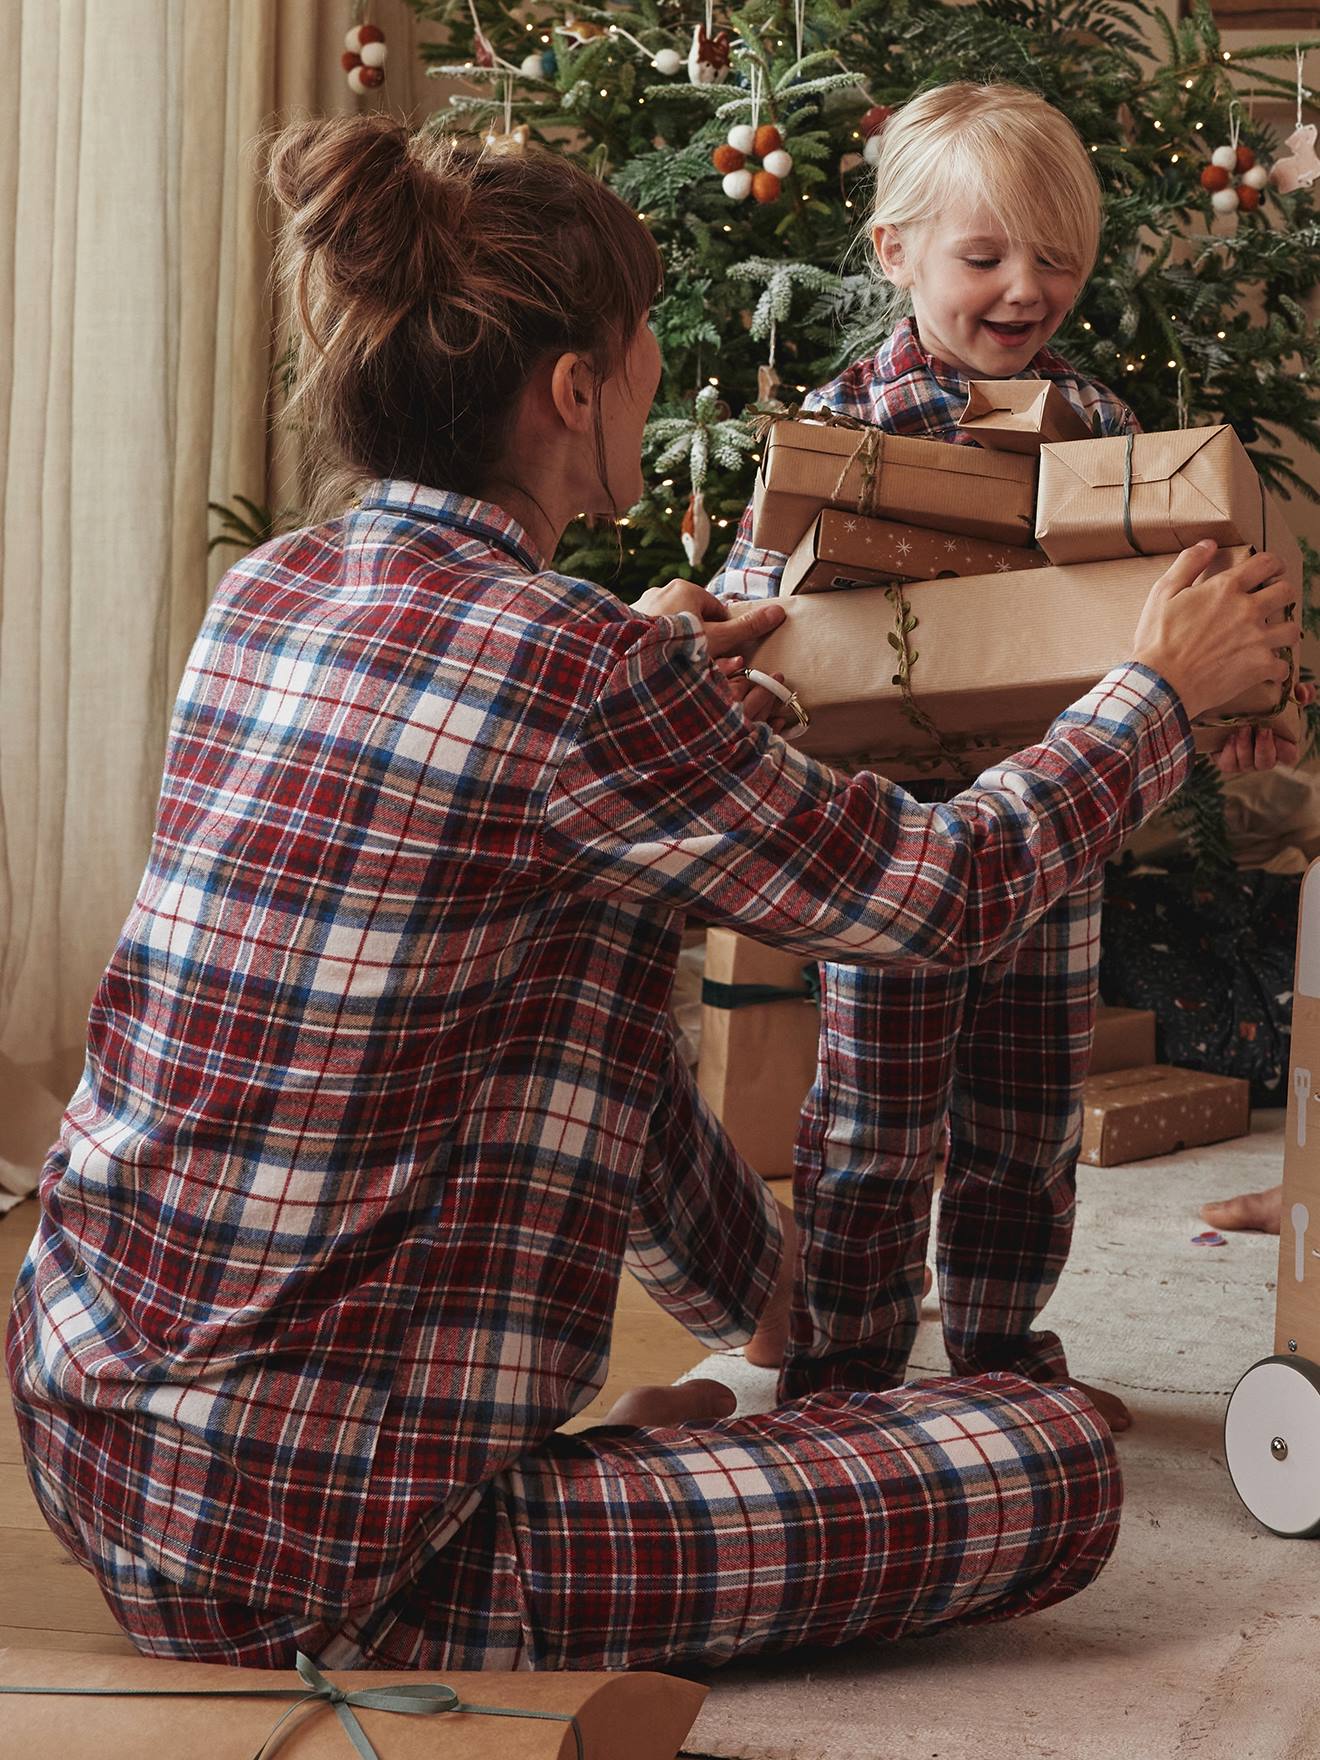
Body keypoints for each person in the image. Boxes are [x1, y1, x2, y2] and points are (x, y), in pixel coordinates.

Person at [4, 117, 1297, 1676]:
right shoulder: (584, 679)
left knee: (589, 986)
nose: (655, 369)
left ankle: (650, 1430)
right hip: (322, 1546)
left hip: (91, 1431)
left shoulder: (269, 589)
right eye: (640, 346)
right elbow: (946, 891)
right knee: (1049, 1468)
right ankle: (521, 1516)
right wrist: (1159, 692)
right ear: (574, 390)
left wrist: (657, 669)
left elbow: (520, 815)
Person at [715, 82, 1307, 1432]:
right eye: (985, 258)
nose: (1024, 289)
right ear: (895, 253)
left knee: (1029, 1122)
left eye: (1059, 260)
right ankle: (848, 1373)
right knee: (877, 1127)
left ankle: (996, 1356)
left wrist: (1236, 709)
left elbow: (1163, 633)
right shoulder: (840, 428)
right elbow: (759, 617)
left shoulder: (1099, 427)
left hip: (1059, 843)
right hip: (895, 851)